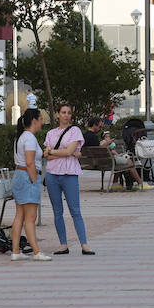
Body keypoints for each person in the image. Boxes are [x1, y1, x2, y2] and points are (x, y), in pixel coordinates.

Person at [42, 104, 92, 256]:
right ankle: (63, 244)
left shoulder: (75, 130)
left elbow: (70, 150)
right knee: (57, 212)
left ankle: (84, 244)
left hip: (70, 174)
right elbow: (47, 155)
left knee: (75, 210)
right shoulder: (50, 133)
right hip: (52, 174)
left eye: (69, 113)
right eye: (63, 112)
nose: (66, 115)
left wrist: (54, 151)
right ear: (57, 114)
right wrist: (63, 153)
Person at [11, 109, 53, 261]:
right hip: (28, 177)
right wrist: (35, 180)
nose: (42, 122)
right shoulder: (29, 138)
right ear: (34, 120)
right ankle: (36, 251)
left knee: (20, 216)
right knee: (30, 218)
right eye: (41, 119)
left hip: (19, 176)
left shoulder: (21, 137)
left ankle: (15, 250)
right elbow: (29, 162)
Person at [84, 117, 144, 188]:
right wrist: (108, 143)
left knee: (119, 160)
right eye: (100, 126)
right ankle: (141, 184)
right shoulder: (93, 137)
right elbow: (100, 149)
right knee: (129, 161)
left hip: (93, 161)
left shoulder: (85, 136)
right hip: (104, 161)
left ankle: (115, 184)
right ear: (94, 125)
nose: (100, 129)